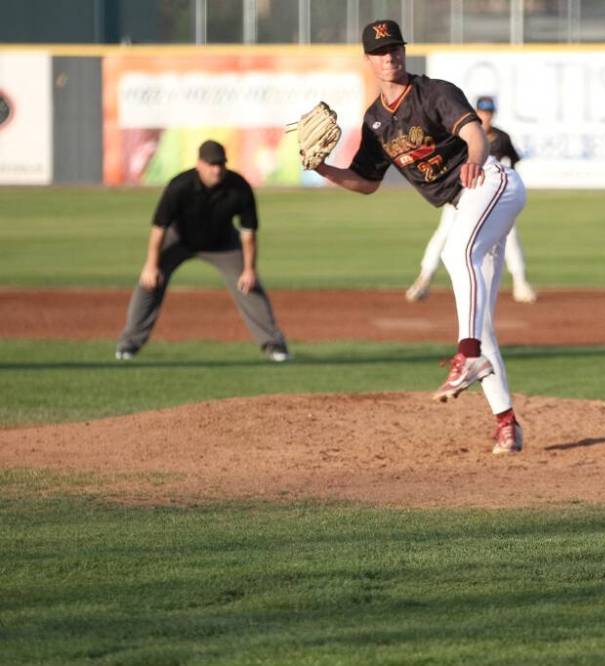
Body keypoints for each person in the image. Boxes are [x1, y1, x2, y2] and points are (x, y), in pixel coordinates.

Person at [313, 19, 526, 454]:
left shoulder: (434, 92)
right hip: (463, 203)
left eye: (395, 48)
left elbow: (473, 135)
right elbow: (365, 181)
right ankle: (507, 423)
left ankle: (467, 354)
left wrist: (473, 158)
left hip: (491, 184)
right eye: (380, 51)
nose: (389, 56)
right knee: (479, 315)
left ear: (403, 52)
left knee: (454, 251)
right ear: (369, 59)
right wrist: (321, 168)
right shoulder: (376, 122)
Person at [115, 140, 291, 363]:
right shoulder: (180, 186)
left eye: (220, 164)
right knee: (149, 281)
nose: (216, 169)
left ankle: (274, 345)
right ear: (199, 164)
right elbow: (159, 228)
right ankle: (128, 344)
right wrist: (151, 264)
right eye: (211, 164)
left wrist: (249, 269)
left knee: (248, 284)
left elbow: (248, 233)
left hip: (223, 243)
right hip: (179, 239)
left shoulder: (239, 188)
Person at [405, 95, 537, 304]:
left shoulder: (501, 138)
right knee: (444, 234)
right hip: (463, 196)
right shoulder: (465, 135)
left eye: (489, 112)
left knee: (510, 235)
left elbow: (513, 163)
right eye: (483, 112)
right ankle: (424, 280)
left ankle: (520, 283)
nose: (486, 116)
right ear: (476, 113)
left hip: (494, 198)